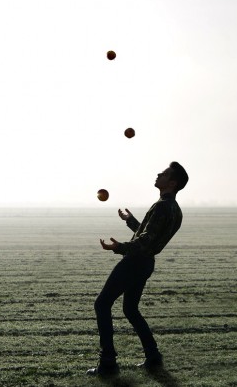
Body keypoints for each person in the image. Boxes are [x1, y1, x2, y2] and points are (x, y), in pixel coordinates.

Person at [87, 161, 189, 377]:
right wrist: (130, 220)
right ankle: (153, 357)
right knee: (130, 309)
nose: (158, 174)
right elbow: (149, 235)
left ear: (172, 183)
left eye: (164, 173)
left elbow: (144, 241)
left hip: (135, 261)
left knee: (102, 304)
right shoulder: (175, 209)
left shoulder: (162, 206)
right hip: (146, 263)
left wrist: (118, 247)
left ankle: (108, 363)